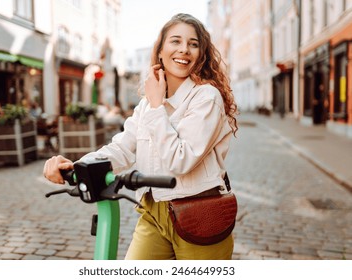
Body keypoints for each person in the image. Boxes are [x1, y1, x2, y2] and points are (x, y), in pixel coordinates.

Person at [43, 13, 238, 260]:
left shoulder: (206, 97)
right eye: (175, 41)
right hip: (153, 212)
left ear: (201, 54)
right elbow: (122, 147)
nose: (184, 50)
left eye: (193, 44)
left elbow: (181, 160)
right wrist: (78, 165)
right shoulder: (148, 103)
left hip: (198, 213)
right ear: (160, 51)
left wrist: (157, 107)